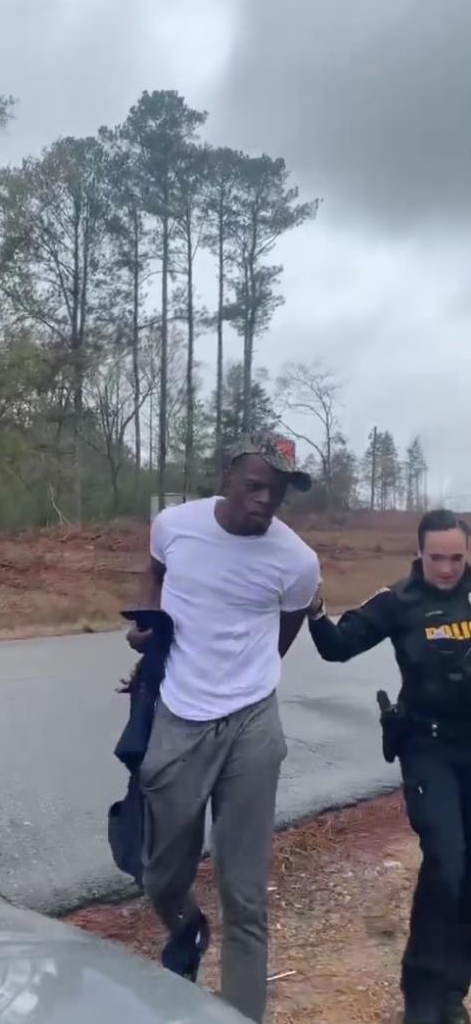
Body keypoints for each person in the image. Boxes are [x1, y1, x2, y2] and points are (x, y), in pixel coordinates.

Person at [126, 433, 320, 1023]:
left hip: (252, 728)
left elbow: (284, 634)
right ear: (227, 475)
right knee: (160, 874)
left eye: (278, 491)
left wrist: (248, 672)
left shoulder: (298, 562)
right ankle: (186, 931)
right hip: (178, 718)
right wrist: (145, 635)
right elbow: (154, 577)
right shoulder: (175, 525)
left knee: (245, 897)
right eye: (255, 484)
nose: (265, 500)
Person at [307, 508, 471, 1024]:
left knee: (467, 874)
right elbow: (337, 648)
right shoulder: (399, 602)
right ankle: (422, 995)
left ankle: (451, 991)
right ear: (420, 553)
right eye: (437, 557)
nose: (447, 568)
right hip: (429, 748)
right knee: (448, 861)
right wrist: (310, 609)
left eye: (458, 558)